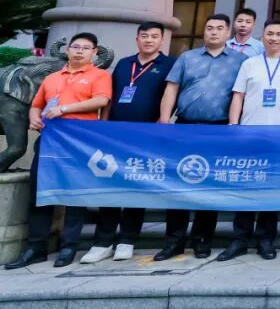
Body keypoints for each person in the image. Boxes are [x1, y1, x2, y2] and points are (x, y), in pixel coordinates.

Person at [4, 34, 111, 270]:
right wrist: (34, 117)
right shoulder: (52, 77)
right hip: (50, 140)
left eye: (86, 48)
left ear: (94, 52)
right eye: (76, 47)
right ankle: (36, 247)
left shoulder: (100, 76)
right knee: (40, 192)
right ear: (68, 50)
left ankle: (68, 246)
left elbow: (101, 100)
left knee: (75, 194)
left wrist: (64, 108)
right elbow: (37, 104)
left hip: (79, 141)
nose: (80, 51)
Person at [83, 22, 175, 264]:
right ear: (137, 39)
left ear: (162, 40)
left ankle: (127, 239)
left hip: (146, 136)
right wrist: (104, 124)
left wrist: (161, 122)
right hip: (115, 135)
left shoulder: (169, 64)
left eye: (154, 36)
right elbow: (110, 97)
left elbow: (170, 97)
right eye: (144, 36)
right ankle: (103, 241)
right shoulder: (124, 64)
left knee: (137, 186)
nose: (149, 40)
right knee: (109, 185)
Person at [155, 14, 246, 261]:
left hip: (218, 129)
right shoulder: (187, 57)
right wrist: (164, 120)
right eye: (209, 28)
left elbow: (241, 96)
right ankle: (174, 241)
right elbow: (171, 89)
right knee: (178, 183)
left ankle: (202, 239)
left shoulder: (240, 61)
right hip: (184, 127)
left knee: (209, 185)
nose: (214, 32)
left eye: (219, 28)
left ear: (228, 33)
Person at [217, 20, 280, 262]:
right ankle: (239, 239)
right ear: (262, 37)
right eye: (270, 34)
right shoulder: (249, 63)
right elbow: (238, 96)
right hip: (248, 133)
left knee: (271, 189)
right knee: (245, 187)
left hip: (279, 135)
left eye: (278, 34)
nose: (274, 38)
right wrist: (233, 125)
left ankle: (266, 240)